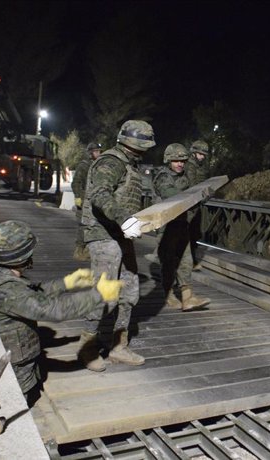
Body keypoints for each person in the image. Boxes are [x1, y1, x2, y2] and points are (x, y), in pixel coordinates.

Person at [0, 220, 123, 406]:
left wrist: (68, 282)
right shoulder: (8, 291)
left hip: (11, 357)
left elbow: (33, 294)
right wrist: (99, 294)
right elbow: (54, 310)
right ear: (23, 255)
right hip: (13, 370)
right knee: (18, 403)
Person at [78, 120, 155, 371]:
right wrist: (124, 219)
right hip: (103, 234)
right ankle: (87, 348)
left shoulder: (129, 164)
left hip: (120, 234)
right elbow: (100, 194)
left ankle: (117, 345)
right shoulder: (111, 162)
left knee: (129, 290)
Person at [154, 143, 210, 311]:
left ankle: (188, 297)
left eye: (183, 161)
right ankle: (168, 294)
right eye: (176, 161)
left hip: (181, 223)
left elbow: (193, 193)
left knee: (186, 261)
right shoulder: (162, 176)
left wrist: (202, 195)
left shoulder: (185, 175)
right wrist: (192, 197)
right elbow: (169, 194)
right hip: (167, 225)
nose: (180, 164)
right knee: (169, 261)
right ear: (168, 160)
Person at [71, 142, 103, 261]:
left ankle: (88, 251)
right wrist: (78, 196)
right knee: (83, 226)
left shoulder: (98, 165)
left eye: (99, 151)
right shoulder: (84, 166)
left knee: (93, 226)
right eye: (96, 151)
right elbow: (76, 182)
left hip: (94, 201)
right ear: (90, 153)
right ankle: (79, 251)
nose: (98, 153)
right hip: (84, 200)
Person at [185, 139, 211, 270]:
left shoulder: (202, 166)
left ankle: (193, 261)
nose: (202, 157)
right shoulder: (189, 166)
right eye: (200, 154)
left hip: (197, 204)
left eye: (204, 155)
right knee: (186, 234)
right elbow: (191, 185)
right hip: (188, 205)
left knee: (194, 234)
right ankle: (188, 262)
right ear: (194, 153)